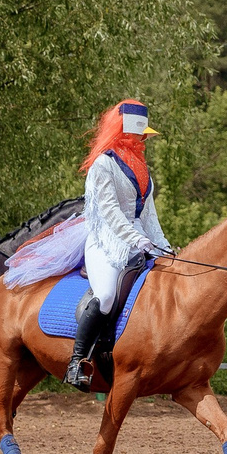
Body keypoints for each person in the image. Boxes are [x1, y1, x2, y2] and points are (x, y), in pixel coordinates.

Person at [67, 99, 174, 391]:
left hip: (141, 240)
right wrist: (136, 239)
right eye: (140, 135)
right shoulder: (104, 165)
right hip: (106, 241)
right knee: (105, 296)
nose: (144, 141)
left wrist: (164, 246)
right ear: (126, 132)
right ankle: (77, 362)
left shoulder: (142, 170)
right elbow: (110, 212)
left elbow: (149, 216)